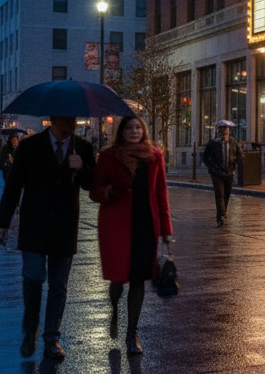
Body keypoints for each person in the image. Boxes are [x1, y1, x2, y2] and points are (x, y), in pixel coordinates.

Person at [0, 116, 97, 359]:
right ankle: (30, 331)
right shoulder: (30, 146)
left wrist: (82, 168)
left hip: (64, 226)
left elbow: (92, 184)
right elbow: (13, 186)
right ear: (52, 120)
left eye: (73, 119)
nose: (71, 123)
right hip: (34, 226)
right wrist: (2, 224)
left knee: (58, 286)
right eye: (65, 119)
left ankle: (52, 338)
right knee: (33, 279)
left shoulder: (82, 148)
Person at [90, 116, 173, 355]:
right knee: (118, 279)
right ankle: (115, 309)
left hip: (146, 224)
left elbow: (161, 193)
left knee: (138, 279)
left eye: (138, 127)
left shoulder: (154, 156)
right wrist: (110, 190)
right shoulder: (107, 157)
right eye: (129, 128)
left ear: (144, 130)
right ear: (121, 131)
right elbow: (94, 191)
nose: (134, 131)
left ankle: (131, 333)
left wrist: (166, 230)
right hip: (116, 226)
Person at [201, 119, 243, 226]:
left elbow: (240, 155)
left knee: (226, 194)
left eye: (227, 130)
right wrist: (212, 167)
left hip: (229, 173)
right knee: (219, 193)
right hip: (217, 173)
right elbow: (205, 157)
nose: (225, 132)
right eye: (224, 130)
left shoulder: (233, 142)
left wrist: (235, 163)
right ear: (219, 132)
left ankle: (221, 212)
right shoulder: (212, 143)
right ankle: (221, 215)